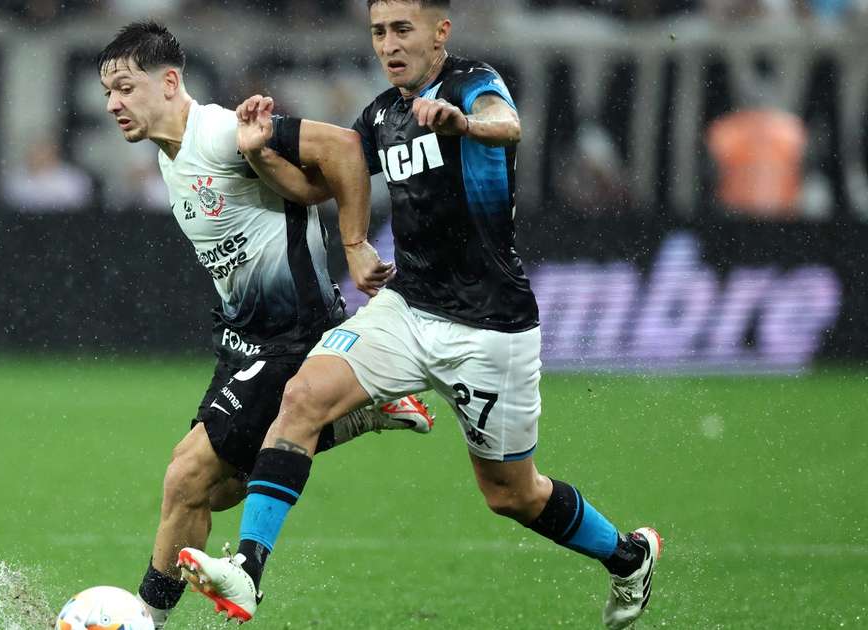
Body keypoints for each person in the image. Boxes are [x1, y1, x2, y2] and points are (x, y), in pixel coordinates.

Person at [176, 2, 662, 629]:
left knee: (511, 494)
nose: (389, 44)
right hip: (407, 307)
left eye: (403, 30)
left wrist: (462, 123)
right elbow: (317, 187)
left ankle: (628, 557)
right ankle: (247, 570)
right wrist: (261, 152)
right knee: (301, 397)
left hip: (490, 326)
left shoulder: (472, 85)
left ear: (441, 32)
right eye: (379, 32)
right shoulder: (383, 114)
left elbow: (506, 124)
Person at [95, 22, 435, 630]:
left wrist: (355, 244)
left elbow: (344, 151)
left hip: (290, 334)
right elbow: (296, 195)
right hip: (243, 336)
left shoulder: (223, 131)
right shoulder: (168, 154)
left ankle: (143, 621)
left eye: (124, 86)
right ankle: (356, 410)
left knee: (186, 476)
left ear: (170, 81)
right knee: (217, 492)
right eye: (106, 93)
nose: (113, 103)